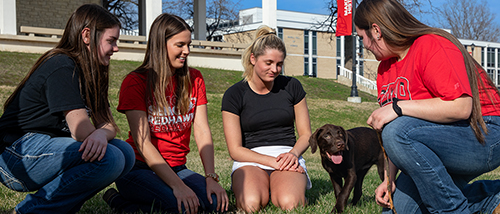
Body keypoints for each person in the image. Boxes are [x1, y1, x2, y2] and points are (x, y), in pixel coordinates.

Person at [355, 0, 500, 213]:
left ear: (376, 31)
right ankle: (492, 199)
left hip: (485, 133)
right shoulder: (384, 71)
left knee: (397, 130)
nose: (364, 46)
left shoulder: (431, 45)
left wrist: (398, 107)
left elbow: (461, 107)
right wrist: (390, 178)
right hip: (439, 144)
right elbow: (397, 137)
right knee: (399, 211)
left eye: (362, 38)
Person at [0, 4, 135, 214]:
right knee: (111, 157)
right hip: (15, 155)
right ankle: (29, 211)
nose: (116, 48)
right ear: (87, 36)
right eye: (111, 41)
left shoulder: (94, 72)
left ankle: (59, 208)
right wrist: (99, 135)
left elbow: (108, 125)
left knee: (125, 152)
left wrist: (101, 133)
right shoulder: (62, 65)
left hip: (47, 149)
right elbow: (80, 130)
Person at [102, 13, 228, 214]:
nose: (186, 51)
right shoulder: (135, 82)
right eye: (180, 45)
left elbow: (203, 131)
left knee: (216, 204)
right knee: (183, 208)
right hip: (138, 168)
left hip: (179, 167)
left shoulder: (194, 79)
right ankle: (120, 202)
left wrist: (210, 177)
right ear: (161, 44)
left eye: (188, 45)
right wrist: (178, 186)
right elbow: (143, 143)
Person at [221, 25, 312, 213]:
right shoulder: (234, 94)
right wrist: (271, 162)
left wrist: (293, 155)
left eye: (279, 64)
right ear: (253, 59)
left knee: (290, 203)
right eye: (268, 62)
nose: (275, 69)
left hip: (287, 155)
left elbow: (305, 134)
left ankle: (280, 186)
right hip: (250, 158)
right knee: (250, 204)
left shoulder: (292, 86)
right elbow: (235, 150)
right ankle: (262, 186)